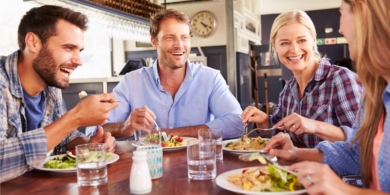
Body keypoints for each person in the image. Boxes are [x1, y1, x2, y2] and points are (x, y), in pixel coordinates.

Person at [264, 0, 390, 193]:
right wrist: (296, 153)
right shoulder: (375, 86)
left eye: (341, 13)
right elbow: (357, 154)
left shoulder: (343, 78)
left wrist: (345, 190)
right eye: (285, 43)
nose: (339, 29)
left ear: (362, 11)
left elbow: (353, 142)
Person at [0, 5, 118, 183]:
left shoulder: (50, 85)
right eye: (69, 48)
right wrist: (75, 118)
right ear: (33, 42)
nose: (78, 61)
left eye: (80, 51)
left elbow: (64, 137)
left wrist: (89, 144)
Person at [101, 9, 244, 139]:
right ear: (154, 42)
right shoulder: (132, 82)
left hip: (197, 163)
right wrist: (123, 126)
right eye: (170, 38)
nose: (179, 45)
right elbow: (97, 129)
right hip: (149, 164)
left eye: (184, 37)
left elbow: (236, 123)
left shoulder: (210, 79)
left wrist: (167, 134)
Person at [241, 10, 362, 148]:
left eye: (302, 40)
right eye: (285, 43)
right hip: (293, 167)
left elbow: (361, 139)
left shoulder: (340, 79)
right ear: (274, 46)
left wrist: (316, 126)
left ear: (313, 40)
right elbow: (276, 130)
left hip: (332, 169)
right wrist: (263, 120)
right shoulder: (288, 89)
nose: (294, 49)